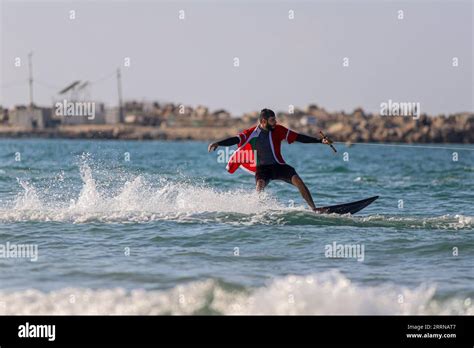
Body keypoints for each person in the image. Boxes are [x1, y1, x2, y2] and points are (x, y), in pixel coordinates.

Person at [208, 108, 332, 211]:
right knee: (259, 186)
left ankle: (314, 209)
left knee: (298, 180)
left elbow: (298, 137)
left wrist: (320, 141)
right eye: (272, 120)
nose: (275, 122)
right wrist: (218, 143)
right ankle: (257, 211)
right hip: (262, 169)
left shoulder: (279, 129)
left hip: (278, 166)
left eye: (275, 119)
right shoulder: (251, 133)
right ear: (263, 121)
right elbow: (235, 139)